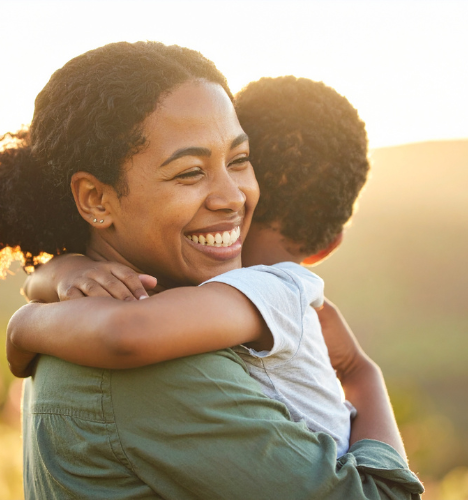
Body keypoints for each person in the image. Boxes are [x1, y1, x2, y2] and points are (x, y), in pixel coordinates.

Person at [2, 41, 423, 498]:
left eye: (239, 161)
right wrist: (363, 376)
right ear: (95, 199)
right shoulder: (160, 370)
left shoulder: (86, 317)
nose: (234, 197)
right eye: (189, 172)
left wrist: (41, 299)